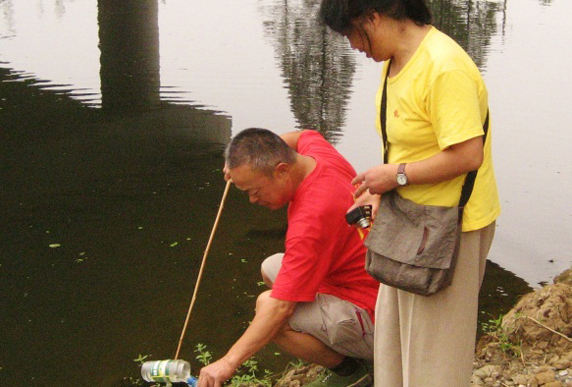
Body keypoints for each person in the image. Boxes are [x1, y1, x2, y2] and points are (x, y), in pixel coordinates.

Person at [319, 1, 501, 386]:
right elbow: (411, 146)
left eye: (352, 33)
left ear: (373, 16)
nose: (353, 45)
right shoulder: (396, 62)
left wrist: (396, 176)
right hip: (410, 222)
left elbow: (469, 154)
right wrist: (381, 191)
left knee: (435, 358)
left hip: (450, 227)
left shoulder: (443, 66)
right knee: (395, 347)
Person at [197, 128, 380, 387]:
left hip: (375, 314)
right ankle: (338, 348)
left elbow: (280, 307)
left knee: (270, 311)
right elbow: (304, 134)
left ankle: (351, 371)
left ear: (281, 171)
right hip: (358, 280)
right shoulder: (318, 159)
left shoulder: (311, 220)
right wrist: (241, 161)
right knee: (270, 266)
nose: (252, 200)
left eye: (255, 190)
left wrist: (227, 363)